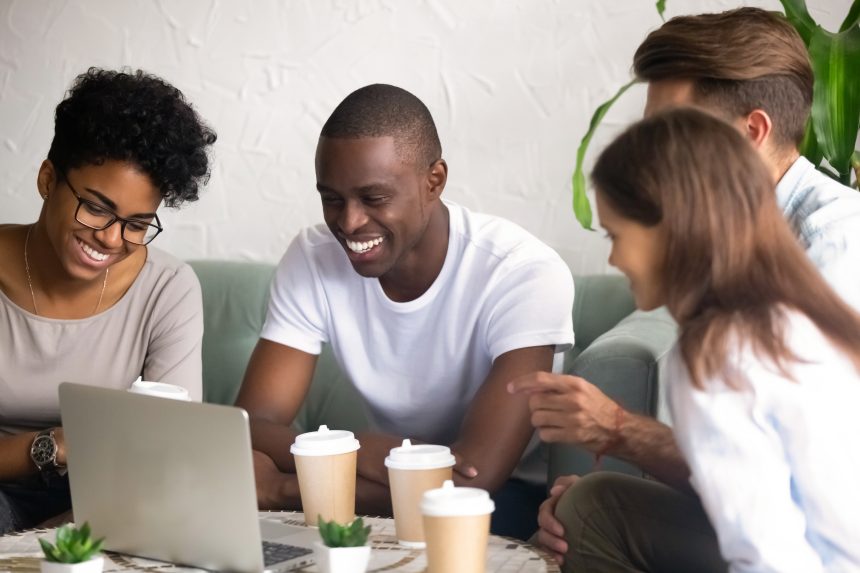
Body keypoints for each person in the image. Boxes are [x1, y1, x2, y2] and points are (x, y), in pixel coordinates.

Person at [515, 7, 860, 570]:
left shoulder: (838, 247)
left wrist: (618, 428)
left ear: (752, 134)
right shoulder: (723, 257)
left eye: (674, 133)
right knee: (592, 506)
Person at [235, 83, 575, 539]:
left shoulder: (521, 272)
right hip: (378, 485)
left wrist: (282, 487)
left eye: (373, 198)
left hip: (505, 501)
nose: (349, 222)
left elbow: (470, 477)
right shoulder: (313, 257)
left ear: (434, 181)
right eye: (332, 198)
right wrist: (360, 453)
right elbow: (249, 425)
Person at [0, 68, 216, 533]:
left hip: (109, 502)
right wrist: (54, 445)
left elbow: (171, 448)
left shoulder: (167, 288)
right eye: (96, 207)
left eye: (137, 223)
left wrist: (75, 528)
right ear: (47, 179)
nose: (111, 239)